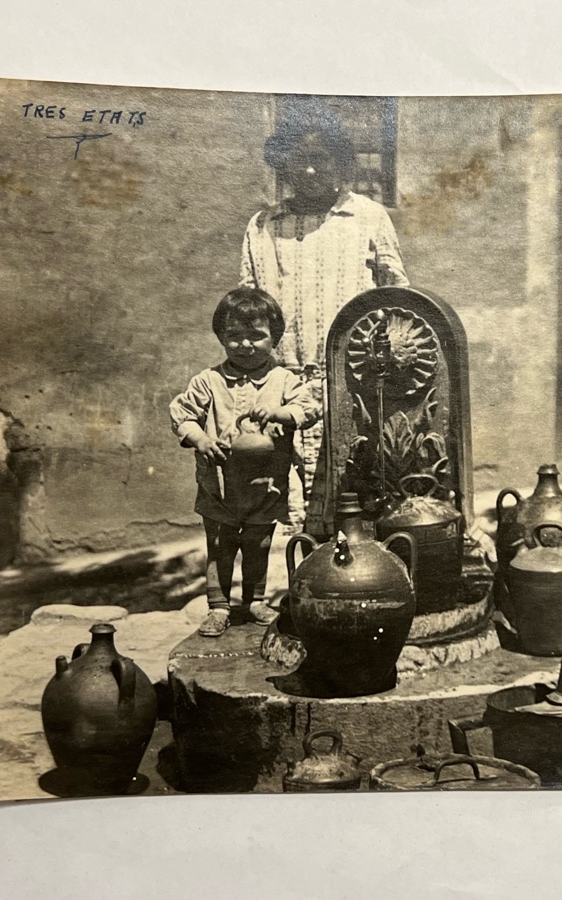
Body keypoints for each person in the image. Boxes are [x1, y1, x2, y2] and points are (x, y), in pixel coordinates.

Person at [239, 102, 409, 533]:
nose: (311, 171)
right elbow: (248, 311)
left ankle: (360, 586)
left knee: (356, 498)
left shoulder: (367, 217)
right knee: (290, 506)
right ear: (284, 164)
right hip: (281, 388)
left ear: (341, 163)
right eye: (301, 160)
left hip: (351, 387)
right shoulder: (263, 227)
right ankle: (306, 591)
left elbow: (397, 300)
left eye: (322, 159)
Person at [170, 287, 322, 637]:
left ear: (275, 338)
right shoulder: (208, 381)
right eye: (234, 336)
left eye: (257, 336)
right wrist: (202, 439)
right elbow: (182, 416)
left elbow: (310, 409)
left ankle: (255, 599)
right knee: (219, 547)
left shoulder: (284, 380)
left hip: (264, 486)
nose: (245, 344)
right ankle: (218, 606)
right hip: (220, 486)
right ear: (221, 337)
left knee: (259, 543)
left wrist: (280, 412)